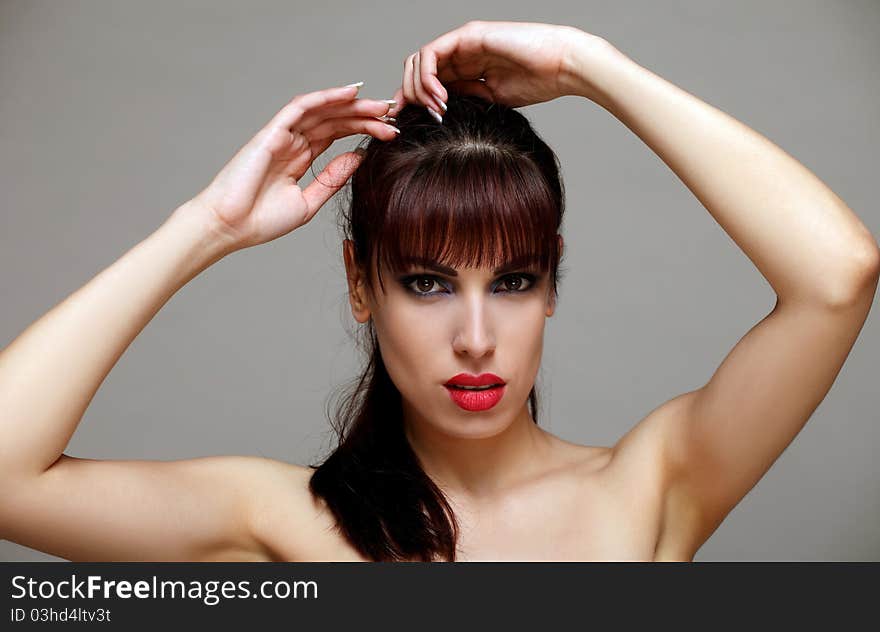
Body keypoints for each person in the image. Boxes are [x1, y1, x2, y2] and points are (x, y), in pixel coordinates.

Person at [0, 20, 877, 562]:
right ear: (360, 285)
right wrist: (205, 227)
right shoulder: (281, 520)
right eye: (426, 283)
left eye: (514, 281)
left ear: (552, 284)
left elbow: (839, 276)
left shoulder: (653, 484)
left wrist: (588, 64)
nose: (475, 337)